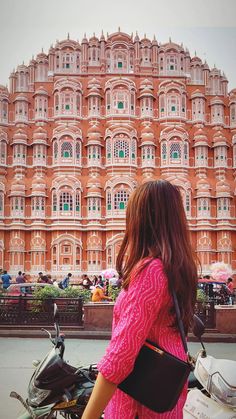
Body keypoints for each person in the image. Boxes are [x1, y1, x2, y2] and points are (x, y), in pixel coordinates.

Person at [82, 180, 197, 419]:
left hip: (137, 406)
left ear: (141, 219)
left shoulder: (150, 271)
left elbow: (120, 356)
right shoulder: (177, 267)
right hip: (164, 399)